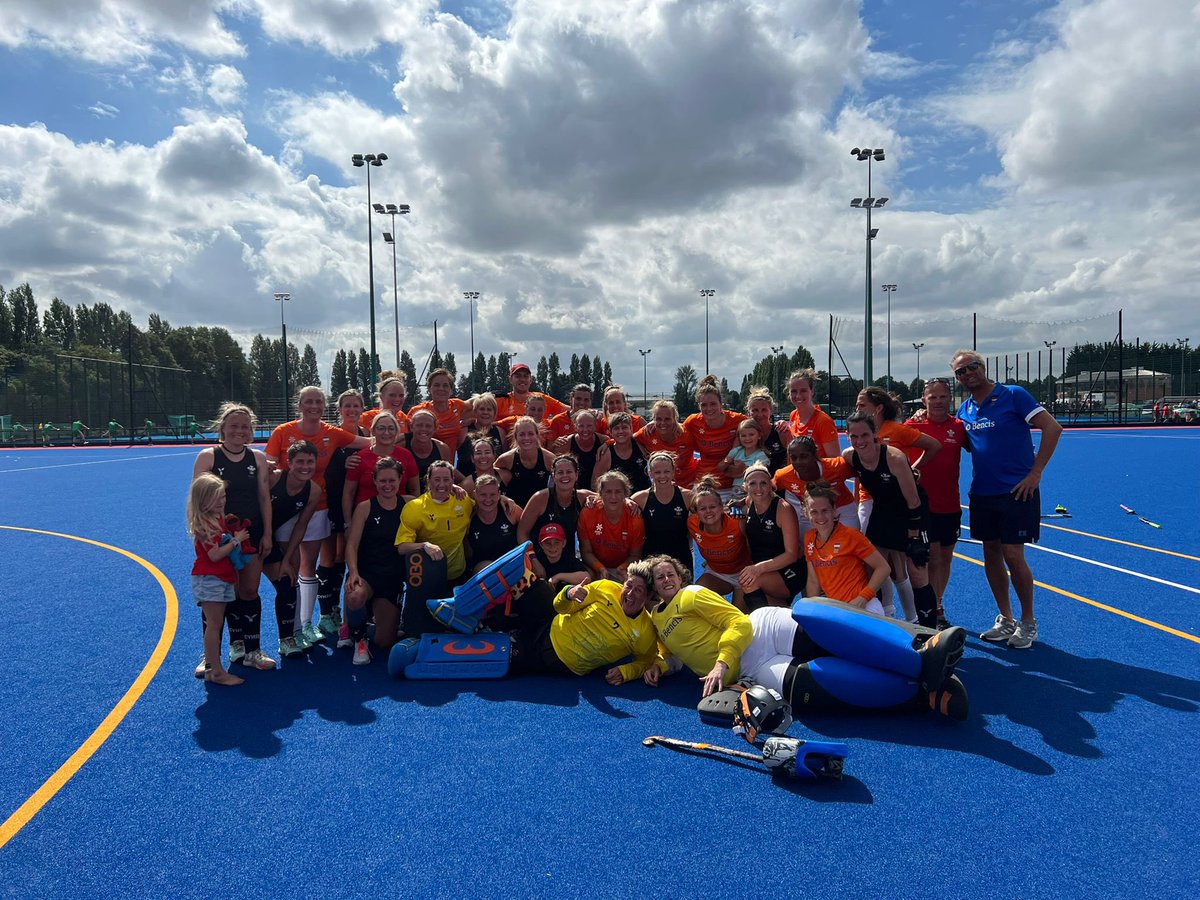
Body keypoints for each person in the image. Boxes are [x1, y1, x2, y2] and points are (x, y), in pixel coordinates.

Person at [640, 555, 968, 719]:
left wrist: (721, 664)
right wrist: (657, 666)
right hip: (751, 669)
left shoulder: (692, 594)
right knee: (809, 685)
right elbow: (673, 655)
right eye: (660, 577)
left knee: (817, 621)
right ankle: (920, 695)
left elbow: (736, 623)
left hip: (761, 631)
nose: (667, 579)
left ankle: (920, 653)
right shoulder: (657, 620)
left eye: (671, 573)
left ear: (680, 577)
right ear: (654, 587)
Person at [952, 349, 1062, 649]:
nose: (967, 373)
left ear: (983, 367)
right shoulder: (964, 410)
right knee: (991, 555)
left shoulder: (1013, 395)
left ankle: (1028, 622)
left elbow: (1052, 427)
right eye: (960, 371)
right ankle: (1006, 618)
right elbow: (958, 440)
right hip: (982, 492)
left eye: (972, 366)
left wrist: (1036, 473)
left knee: (1013, 555)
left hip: (1017, 491)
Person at [265, 386, 371, 645]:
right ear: (299, 405)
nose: (314, 406)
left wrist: (406, 434)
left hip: (317, 506)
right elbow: (265, 467)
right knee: (288, 567)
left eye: (318, 402)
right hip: (285, 509)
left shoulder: (332, 432)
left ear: (324, 406)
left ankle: (306, 624)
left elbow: (370, 442)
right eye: (309, 401)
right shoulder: (282, 432)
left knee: (308, 566)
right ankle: (292, 630)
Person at [192, 403, 274, 673]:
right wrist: (205, 533)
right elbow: (198, 499)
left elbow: (264, 497)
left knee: (248, 591)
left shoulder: (257, 458)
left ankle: (252, 650)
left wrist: (267, 534)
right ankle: (211, 656)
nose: (240, 430)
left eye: (245, 426)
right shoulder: (208, 457)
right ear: (223, 428)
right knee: (217, 596)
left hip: (250, 535)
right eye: (234, 426)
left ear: (251, 430)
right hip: (217, 538)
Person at [843, 412, 938, 628]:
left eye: (864, 435)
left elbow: (913, 501)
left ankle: (928, 631)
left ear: (874, 434)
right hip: (882, 511)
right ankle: (875, 625)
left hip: (911, 512)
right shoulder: (849, 456)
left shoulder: (893, 458)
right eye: (854, 436)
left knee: (917, 571)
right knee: (870, 569)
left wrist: (913, 537)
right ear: (848, 436)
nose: (860, 441)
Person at [503, 571, 658, 683]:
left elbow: (647, 661)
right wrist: (568, 593)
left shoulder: (645, 631)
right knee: (525, 578)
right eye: (628, 585)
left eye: (638, 590)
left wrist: (626, 672)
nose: (630, 594)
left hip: (559, 661)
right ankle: (497, 621)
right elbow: (561, 607)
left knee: (506, 657)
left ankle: (514, 634)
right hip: (549, 625)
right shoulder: (607, 587)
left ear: (648, 596)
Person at [906, 378, 966, 628]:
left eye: (943, 396)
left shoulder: (960, 427)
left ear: (950, 398)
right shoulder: (912, 426)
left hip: (950, 504)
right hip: (921, 505)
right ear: (924, 400)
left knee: (945, 558)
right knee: (930, 558)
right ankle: (930, 608)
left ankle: (938, 603)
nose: (938, 401)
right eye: (933, 397)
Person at [394, 459, 475, 635]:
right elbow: (402, 547)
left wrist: (504, 499)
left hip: (458, 575)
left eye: (446, 479)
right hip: (429, 579)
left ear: (453, 481)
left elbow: (486, 503)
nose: (442, 484)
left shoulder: (464, 501)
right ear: (428, 480)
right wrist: (424, 545)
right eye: (437, 479)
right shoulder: (415, 508)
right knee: (425, 630)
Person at [262, 441, 323, 658]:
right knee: (243, 592)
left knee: (287, 583)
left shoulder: (313, 491)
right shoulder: (273, 478)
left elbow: (300, 527)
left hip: (272, 541)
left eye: (310, 462)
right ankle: (239, 645)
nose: (305, 467)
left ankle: (287, 638)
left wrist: (287, 559)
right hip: (251, 538)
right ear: (289, 462)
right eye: (300, 461)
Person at [344, 457, 408, 665]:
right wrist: (353, 572)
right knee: (355, 596)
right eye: (382, 481)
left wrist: (456, 488)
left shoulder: (410, 503)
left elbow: (438, 496)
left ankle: (365, 619)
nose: (387, 485)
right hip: (367, 575)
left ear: (400, 479)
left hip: (391, 579)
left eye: (392, 480)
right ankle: (359, 638)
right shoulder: (365, 508)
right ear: (374, 481)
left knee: (384, 641)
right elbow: (352, 545)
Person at [187, 473, 248, 686]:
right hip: (209, 578)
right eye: (217, 498)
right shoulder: (206, 524)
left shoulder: (217, 519)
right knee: (214, 625)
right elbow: (214, 555)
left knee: (216, 623)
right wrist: (236, 542)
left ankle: (213, 669)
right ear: (203, 500)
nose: (222, 501)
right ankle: (215, 671)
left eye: (223, 496)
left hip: (221, 577)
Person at [321, 388, 367, 645]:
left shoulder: (365, 435)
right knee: (332, 558)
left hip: (358, 505)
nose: (351, 410)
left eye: (356, 406)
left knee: (351, 556)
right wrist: (342, 465)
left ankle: (350, 607)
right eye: (347, 406)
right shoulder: (331, 436)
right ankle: (327, 612)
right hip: (333, 502)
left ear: (362, 409)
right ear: (339, 409)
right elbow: (322, 466)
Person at [802, 482, 890, 612]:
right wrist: (812, 609)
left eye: (825, 510)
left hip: (864, 606)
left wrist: (863, 598)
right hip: (838, 610)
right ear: (806, 513)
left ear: (834, 509)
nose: (820, 516)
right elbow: (813, 580)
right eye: (814, 512)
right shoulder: (809, 538)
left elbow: (883, 568)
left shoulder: (851, 536)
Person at [737, 463, 804, 607]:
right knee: (742, 606)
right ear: (745, 487)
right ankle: (782, 610)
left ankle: (766, 617)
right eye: (752, 484)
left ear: (771, 485)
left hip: (787, 570)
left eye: (763, 483)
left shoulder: (783, 509)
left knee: (750, 582)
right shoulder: (749, 501)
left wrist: (758, 568)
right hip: (764, 570)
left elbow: (791, 555)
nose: (758, 488)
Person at [343, 411, 420, 523]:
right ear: (373, 430)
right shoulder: (359, 458)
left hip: (400, 516)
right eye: (381, 428)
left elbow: (414, 489)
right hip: (366, 518)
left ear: (397, 431)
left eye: (391, 428)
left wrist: (415, 517)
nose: (386, 432)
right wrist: (348, 523)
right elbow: (349, 493)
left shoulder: (406, 455)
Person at [687, 476, 751, 607]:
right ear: (696, 513)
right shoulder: (692, 524)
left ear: (722, 508)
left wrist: (741, 503)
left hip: (743, 574)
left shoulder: (737, 521)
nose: (708, 511)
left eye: (712, 507)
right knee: (695, 596)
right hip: (716, 573)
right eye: (702, 508)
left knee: (738, 615)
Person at [773, 436, 857, 531]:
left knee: (850, 538)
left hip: (842, 509)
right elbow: (768, 491)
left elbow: (861, 473)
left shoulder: (837, 466)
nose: (799, 462)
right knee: (805, 539)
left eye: (804, 456)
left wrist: (859, 499)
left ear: (814, 455)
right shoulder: (783, 476)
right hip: (811, 513)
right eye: (794, 458)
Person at [683, 375, 747, 495]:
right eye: (704, 405)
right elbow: (674, 431)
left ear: (721, 404)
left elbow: (759, 429)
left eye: (713, 404)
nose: (709, 408)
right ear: (699, 406)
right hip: (704, 483)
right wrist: (652, 424)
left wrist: (781, 424)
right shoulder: (692, 422)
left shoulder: (738, 420)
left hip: (732, 484)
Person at [578, 470, 646, 581]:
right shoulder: (588, 513)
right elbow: (586, 551)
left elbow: (635, 555)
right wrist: (600, 568)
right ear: (600, 494)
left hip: (623, 570)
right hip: (595, 569)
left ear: (625, 494)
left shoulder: (634, 517)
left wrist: (623, 568)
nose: (613, 497)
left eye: (618, 492)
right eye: (608, 492)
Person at [517, 453, 593, 550]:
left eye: (569, 472)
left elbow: (607, 497)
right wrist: (531, 556)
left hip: (570, 555)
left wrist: (595, 499)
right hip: (540, 553)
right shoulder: (540, 498)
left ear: (576, 475)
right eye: (560, 472)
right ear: (553, 476)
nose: (565, 475)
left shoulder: (583, 496)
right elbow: (522, 533)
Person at [633, 450, 694, 565]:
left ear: (673, 472)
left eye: (666, 471)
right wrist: (627, 501)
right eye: (657, 472)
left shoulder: (687, 496)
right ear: (650, 473)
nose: (662, 476)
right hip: (651, 559)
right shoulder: (640, 498)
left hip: (681, 557)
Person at [634, 399, 698, 488]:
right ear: (653, 419)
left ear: (674, 418)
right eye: (658, 419)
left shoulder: (687, 435)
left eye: (667, 419)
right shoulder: (648, 433)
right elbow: (633, 439)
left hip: (687, 485)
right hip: (661, 486)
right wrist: (646, 456)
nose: (663, 423)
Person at [466, 474, 522, 574]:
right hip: (484, 570)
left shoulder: (511, 511)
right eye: (483, 495)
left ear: (499, 494)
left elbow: (528, 533)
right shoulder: (468, 517)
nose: (488, 499)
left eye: (492, 495)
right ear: (475, 494)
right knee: (487, 568)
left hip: (512, 564)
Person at [495, 416, 555, 506]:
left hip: (541, 508)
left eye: (530, 434)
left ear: (537, 435)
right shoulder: (507, 459)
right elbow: (490, 473)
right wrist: (504, 477)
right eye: (522, 434)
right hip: (515, 507)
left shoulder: (549, 459)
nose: (526, 438)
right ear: (516, 436)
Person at [781, 369, 840, 457]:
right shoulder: (793, 415)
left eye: (803, 391)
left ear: (812, 391)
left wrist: (811, 463)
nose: (798, 396)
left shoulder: (823, 421)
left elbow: (835, 460)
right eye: (794, 391)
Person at [412, 367, 470, 448]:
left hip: (451, 456)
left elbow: (480, 407)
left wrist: (469, 421)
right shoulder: (418, 411)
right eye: (436, 385)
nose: (441, 388)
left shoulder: (457, 405)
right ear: (429, 389)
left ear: (451, 390)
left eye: (445, 385)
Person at [593, 411, 649, 493]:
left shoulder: (640, 444)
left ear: (631, 429)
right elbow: (595, 484)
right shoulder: (606, 454)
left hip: (643, 497)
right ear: (610, 432)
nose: (621, 431)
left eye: (624, 427)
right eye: (616, 428)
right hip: (619, 499)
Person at [456, 392, 506, 479]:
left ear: (494, 413)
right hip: (465, 481)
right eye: (482, 409)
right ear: (475, 411)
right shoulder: (463, 431)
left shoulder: (500, 432)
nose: (485, 412)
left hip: (492, 483)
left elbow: (504, 461)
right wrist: (466, 482)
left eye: (489, 410)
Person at [495, 362, 569, 421]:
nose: (522, 379)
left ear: (530, 380)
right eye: (518, 376)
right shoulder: (501, 400)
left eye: (526, 376)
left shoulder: (540, 398)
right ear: (510, 379)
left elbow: (569, 411)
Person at [719, 418, 769, 503]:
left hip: (751, 491)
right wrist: (727, 462)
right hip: (735, 490)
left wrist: (743, 469)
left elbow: (760, 474)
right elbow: (719, 468)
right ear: (739, 437)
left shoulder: (760, 455)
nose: (747, 438)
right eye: (743, 435)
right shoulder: (736, 451)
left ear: (759, 436)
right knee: (729, 507)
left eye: (751, 434)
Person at [402, 408, 455, 484]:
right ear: (411, 427)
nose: (423, 429)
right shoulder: (401, 446)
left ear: (435, 428)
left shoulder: (442, 449)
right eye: (419, 425)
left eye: (428, 426)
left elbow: (448, 475)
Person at [530, 522, 590, 588]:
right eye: (548, 543)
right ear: (541, 545)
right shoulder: (536, 562)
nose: (552, 547)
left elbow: (587, 577)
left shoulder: (569, 560)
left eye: (557, 543)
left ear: (564, 543)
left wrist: (559, 577)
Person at [745, 387, 787, 473]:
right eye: (755, 410)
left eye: (764, 410)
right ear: (749, 412)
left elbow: (793, 460)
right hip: (754, 480)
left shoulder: (781, 430)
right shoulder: (744, 434)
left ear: (771, 411)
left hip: (780, 479)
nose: (760, 414)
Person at [565, 409, 609, 489]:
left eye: (589, 426)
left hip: (597, 489)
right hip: (573, 490)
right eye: (581, 426)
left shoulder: (604, 441)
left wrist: (609, 442)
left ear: (595, 425)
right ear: (575, 426)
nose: (585, 430)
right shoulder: (566, 443)